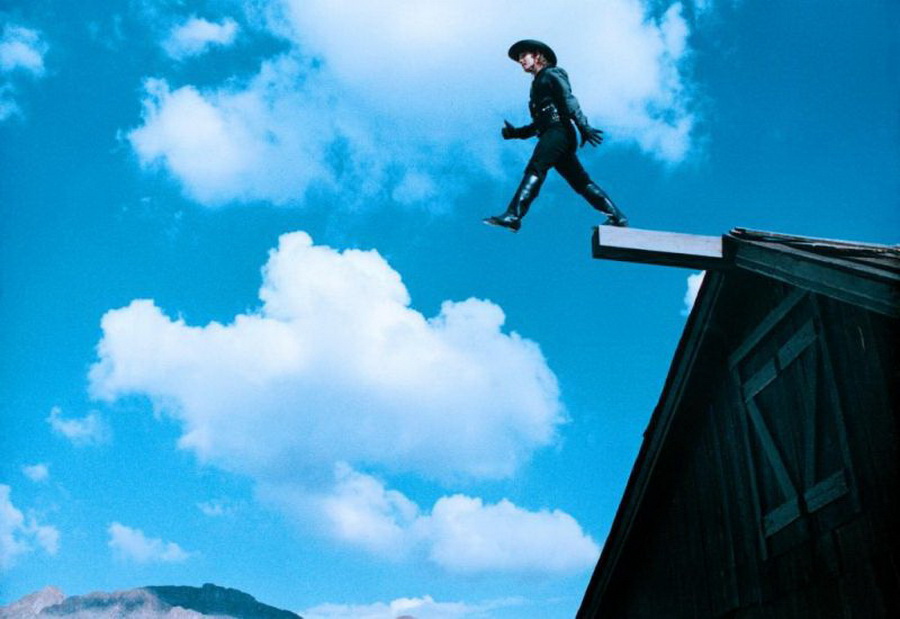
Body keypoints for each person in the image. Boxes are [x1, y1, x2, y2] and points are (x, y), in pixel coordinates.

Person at [484, 39, 627, 232]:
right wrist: (515, 133)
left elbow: (568, 99)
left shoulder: (552, 73)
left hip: (559, 131)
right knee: (580, 181)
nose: (521, 61)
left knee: (537, 167)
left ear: (537, 55)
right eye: (519, 58)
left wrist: (583, 125)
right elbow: (539, 123)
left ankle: (514, 215)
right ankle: (617, 217)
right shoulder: (536, 84)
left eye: (523, 56)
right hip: (553, 133)